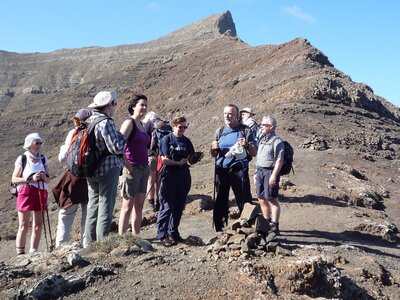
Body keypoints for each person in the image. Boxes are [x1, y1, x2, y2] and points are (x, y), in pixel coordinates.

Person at [83, 90, 125, 247]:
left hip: (90, 169)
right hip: (107, 169)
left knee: (93, 206)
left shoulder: (88, 120)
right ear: (109, 105)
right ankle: (102, 244)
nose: (115, 107)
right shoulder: (106, 122)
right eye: (114, 103)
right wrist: (122, 137)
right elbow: (116, 147)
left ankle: (88, 243)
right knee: (106, 207)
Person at [157, 115, 203, 246]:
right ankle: (162, 234)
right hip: (169, 175)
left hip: (183, 176)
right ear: (173, 126)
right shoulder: (167, 139)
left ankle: (173, 233)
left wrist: (195, 158)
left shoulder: (187, 141)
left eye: (184, 127)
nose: (182, 129)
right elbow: (164, 160)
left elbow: (189, 160)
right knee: (167, 206)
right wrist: (178, 163)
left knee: (178, 206)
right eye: (180, 127)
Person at [210, 104, 257, 232]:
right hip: (221, 170)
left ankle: (248, 227)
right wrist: (213, 149)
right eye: (225, 113)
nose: (227, 116)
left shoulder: (245, 130)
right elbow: (214, 154)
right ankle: (220, 229)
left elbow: (254, 152)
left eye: (230, 113)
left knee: (244, 199)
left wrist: (246, 144)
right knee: (220, 199)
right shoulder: (219, 131)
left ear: (237, 115)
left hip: (239, 170)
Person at [55, 109, 92, 247]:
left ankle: (61, 245)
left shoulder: (73, 133)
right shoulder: (93, 132)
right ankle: (87, 244)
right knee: (88, 213)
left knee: (66, 213)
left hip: (73, 178)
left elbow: (61, 157)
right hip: (90, 177)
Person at [11, 133, 50, 254]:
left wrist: (43, 177)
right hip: (26, 191)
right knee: (24, 224)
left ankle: (34, 251)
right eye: (36, 142)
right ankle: (20, 252)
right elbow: (14, 179)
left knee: (38, 224)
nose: (39, 145)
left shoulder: (44, 159)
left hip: (41, 191)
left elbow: (48, 179)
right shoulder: (22, 159)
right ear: (29, 144)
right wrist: (30, 179)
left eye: (40, 143)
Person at [118, 93, 150, 235]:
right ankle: (122, 238)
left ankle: (136, 236)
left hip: (143, 169)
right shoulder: (129, 123)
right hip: (132, 168)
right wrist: (128, 167)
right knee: (127, 206)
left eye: (145, 105)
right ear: (133, 106)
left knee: (139, 205)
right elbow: (118, 146)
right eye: (141, 105)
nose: (144, 107)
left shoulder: (142, 125)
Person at [255, 116, 284, 235]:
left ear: (271, 127)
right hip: (260, 171)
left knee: (272, 198)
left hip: (270, 172)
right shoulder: (262, 139)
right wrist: (256, 172)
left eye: (264, 125)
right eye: (261, 125)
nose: (261, 127)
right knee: (261, 198)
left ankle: (275, 225)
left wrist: (274, 176)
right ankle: (266, 223)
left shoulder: (277, 141)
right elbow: (259, 157)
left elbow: (279, 160)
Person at [142, 111, 161, 211]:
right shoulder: (160, 125)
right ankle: (159, 201)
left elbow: (144, 142)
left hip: (150, 156)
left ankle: (151, 202)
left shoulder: (147, 125)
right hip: (160, 156)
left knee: (150, 180)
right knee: (159, 180)